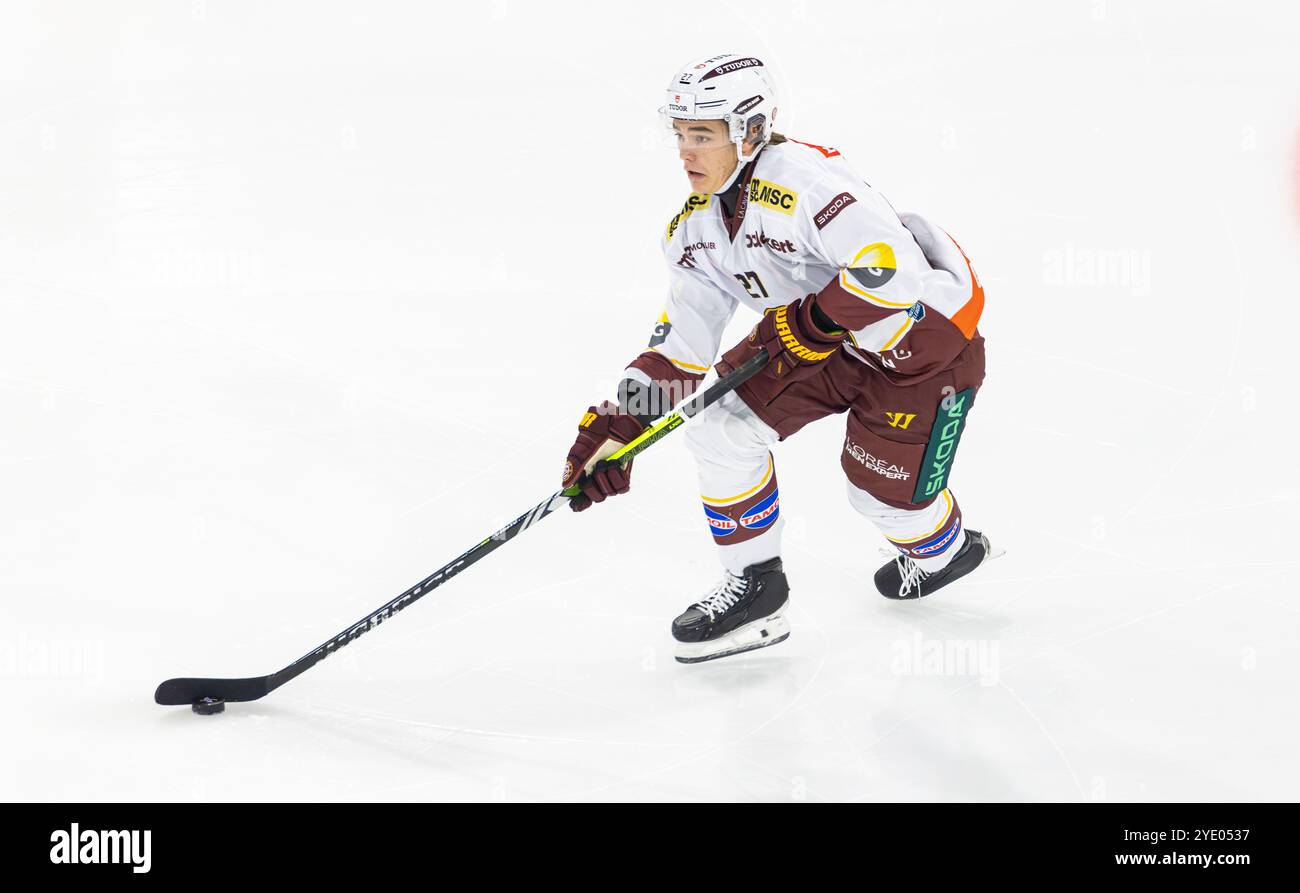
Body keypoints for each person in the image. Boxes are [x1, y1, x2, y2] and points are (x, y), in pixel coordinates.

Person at [561, 53, 994, 663]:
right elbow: (682, 351)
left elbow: (889, 266)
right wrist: (620, 423)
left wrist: (815, 321)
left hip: (922, 353)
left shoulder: (807, 181)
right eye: (681, 136)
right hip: (820, 344)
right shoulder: (694, 230)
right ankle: (757, 588)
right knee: (719, 430)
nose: (686, 154)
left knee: (880, 499)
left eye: (703, 137)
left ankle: (948, 551)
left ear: (751, 131)